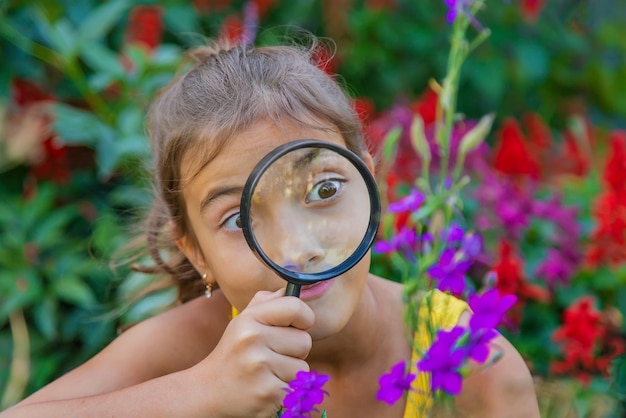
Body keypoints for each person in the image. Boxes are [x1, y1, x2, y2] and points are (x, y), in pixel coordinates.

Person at [1, 37, 540, 417]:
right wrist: (197, 394)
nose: (298, 248)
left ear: (370, 187)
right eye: (237, 218)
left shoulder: (474, 364)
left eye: (324, 190)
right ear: (198, 254)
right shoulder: (195, 350)